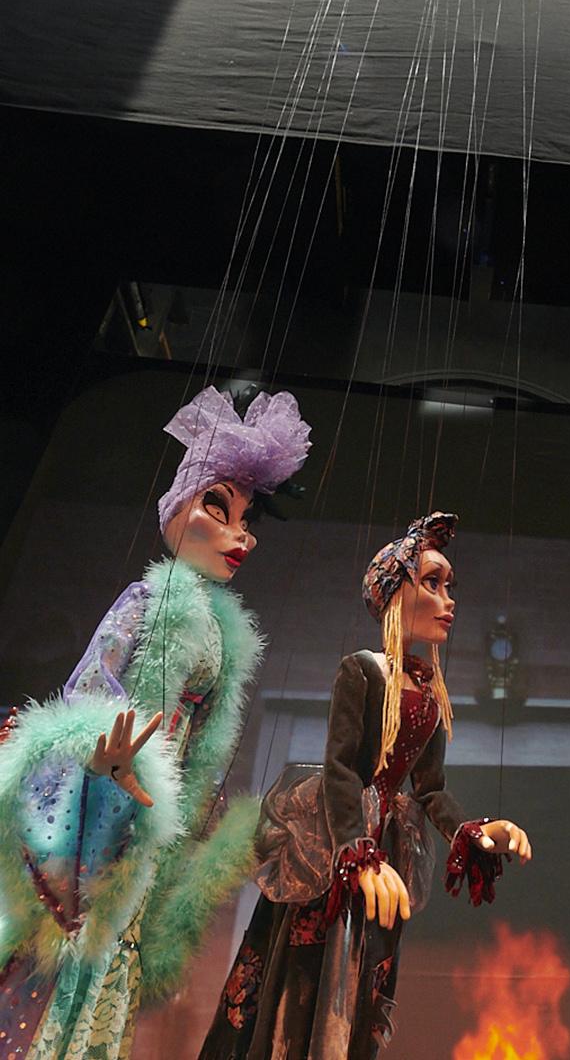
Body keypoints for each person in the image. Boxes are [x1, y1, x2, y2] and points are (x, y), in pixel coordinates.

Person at [0, 385, 311, 1059]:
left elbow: (202, 755)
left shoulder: (220, 635)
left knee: (104, 984)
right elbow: (90, 694)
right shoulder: (150, 597)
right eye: (218, 508)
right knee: (57, 979)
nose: (240, 532)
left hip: (147, 838)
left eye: (246, 517)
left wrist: (196, 832)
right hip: (100, 825)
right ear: (177, 511)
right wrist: (101, 758)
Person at [198, 511, 531, 1060]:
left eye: (450, 586)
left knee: (366, 986)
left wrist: (472, 831)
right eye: (432, 583)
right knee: (305, 978)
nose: (450, 599)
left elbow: (429, 791)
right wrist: (358, 853)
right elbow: (342, 769)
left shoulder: (429, 690)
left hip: (389, 852)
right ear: (396, 594)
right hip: (336, 845)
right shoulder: (363, 670)